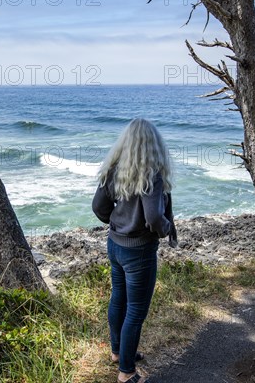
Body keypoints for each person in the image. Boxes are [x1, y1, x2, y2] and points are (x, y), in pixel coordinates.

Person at [92, 118, 176, 383]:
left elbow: (98, 207)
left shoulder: (116, 169)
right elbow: (153, 217)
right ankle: (126, 372)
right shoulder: (152, 175)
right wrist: (165, 228)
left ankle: (118, 352)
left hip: (115, 245)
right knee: (136, 311)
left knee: (119, 299)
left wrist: (119, 223)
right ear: (154, 145)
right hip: (139, 251)